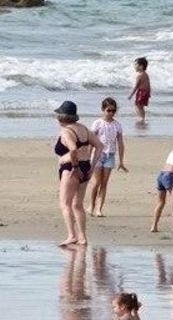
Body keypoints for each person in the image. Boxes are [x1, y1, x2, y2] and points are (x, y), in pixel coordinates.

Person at [52, 100, 93, 249]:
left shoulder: (66, 132)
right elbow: (99, 145)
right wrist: (92, 165)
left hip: (71, 168)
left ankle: (72, 235)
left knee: (65, 203)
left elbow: (73, 149)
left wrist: (74, 165)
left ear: (62, 117)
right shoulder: (83, 128)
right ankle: (82, 237)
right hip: (86, 165)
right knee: (78, 204)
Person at [88, 97, 126, 217]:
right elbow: (91, 141)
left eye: (113, 111)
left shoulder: (117, 125)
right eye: (108, 110)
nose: (111, 113)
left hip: (110, 155)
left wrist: (121, 160)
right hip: (98, 155)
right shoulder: (97, 123)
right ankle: (91, 206)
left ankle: (99, 208)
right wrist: (89, 157)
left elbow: (120, 143)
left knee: (104, 183)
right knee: (96, 182)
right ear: (103, 110)